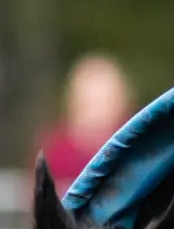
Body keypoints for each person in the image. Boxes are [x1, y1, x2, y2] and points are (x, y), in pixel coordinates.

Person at [35, 54, 132, 190]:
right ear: (73, 103)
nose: (97, 114)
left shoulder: (133, 149)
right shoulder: (53, 152)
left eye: (104, 103)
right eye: (90, 103)